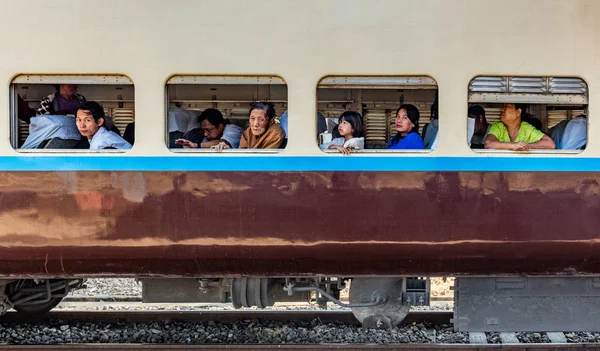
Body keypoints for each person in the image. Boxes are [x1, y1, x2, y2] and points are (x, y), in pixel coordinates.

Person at [484, 103, 555, 150]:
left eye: (507, 106)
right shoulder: (497, 126)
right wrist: (513, 146)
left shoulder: (526, 128)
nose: (502, 109)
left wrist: (526, 146)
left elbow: (550, 144)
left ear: (518, 112)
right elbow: (488, 144)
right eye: (503, 106)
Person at [175, 108, 244, 152]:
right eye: (204, 130)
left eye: (208, 130)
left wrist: (197, 145)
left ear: (220, 126)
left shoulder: (234, 130)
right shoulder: (205, 138)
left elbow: (224, 142)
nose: (205, 134)